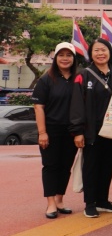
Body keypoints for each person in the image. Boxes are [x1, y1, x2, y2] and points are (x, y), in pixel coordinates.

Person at [69, 38, 112, 218]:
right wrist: (78, 131)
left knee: (107, 166)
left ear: (110, 52)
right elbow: (77, 104)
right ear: (91, 54)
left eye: (104, 50)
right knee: (91, 167)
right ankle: (90, 203)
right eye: (96, 50)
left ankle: (103, 200)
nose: (101, 53)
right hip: (92, 131)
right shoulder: (84, 75)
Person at [33, 42, 79, 219]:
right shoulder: (46, 79)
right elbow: (39, 107)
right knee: (50, 166)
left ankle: (60, 200)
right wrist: (42, 132)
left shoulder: (79, 78)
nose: (65, 58)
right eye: (61, 55)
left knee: (66, 166)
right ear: (55, 58)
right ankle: (51, 203)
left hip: (72, 130)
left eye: (69, 55)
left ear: (74, 58)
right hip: (51, 130)